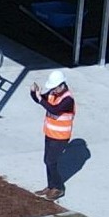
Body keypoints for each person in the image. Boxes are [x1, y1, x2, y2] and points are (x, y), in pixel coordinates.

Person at [30, 70, 75, 200]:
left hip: (60, 137)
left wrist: (40, 99)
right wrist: (33, 93)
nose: (53, 90)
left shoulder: (68, 99)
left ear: (62, 85)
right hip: (50, 133)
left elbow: (54, 109)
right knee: (47, 160)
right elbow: (40, 99)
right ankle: (51, 186)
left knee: (51, 161)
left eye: (55, 87)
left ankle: (58, 188)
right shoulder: (53, 93)